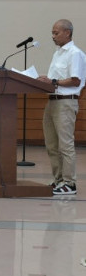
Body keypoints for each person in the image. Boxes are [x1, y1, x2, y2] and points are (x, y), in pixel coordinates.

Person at [37, 19, 86, 195]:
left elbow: (75, 80)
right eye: (52, 33)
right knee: (51, 144)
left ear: (67, 33)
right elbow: (54, 81)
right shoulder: (57, 53)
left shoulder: (75, 53)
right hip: (52, 101)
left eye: (56, 33)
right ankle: (58, 180)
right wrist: (45, 81)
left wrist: (53, 82)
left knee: (65, 145)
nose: (53, 36)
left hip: (66, 102)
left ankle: (70, 182)